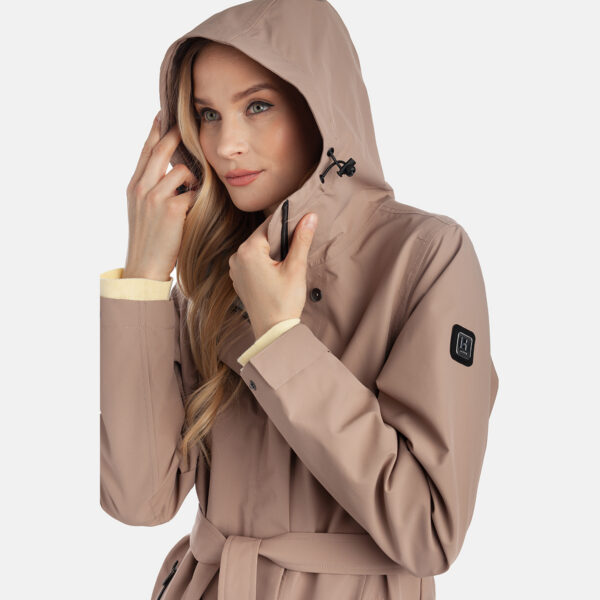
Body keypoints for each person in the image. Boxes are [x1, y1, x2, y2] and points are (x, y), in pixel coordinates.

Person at [99, 1, 500, 599]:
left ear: (321, 108)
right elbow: (139, 500)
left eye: (257, 106)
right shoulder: (215, 269)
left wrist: (282, 341)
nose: (226, 144)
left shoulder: (425, 255)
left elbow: (429, 531)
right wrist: (145, 280)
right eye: (208, 115)